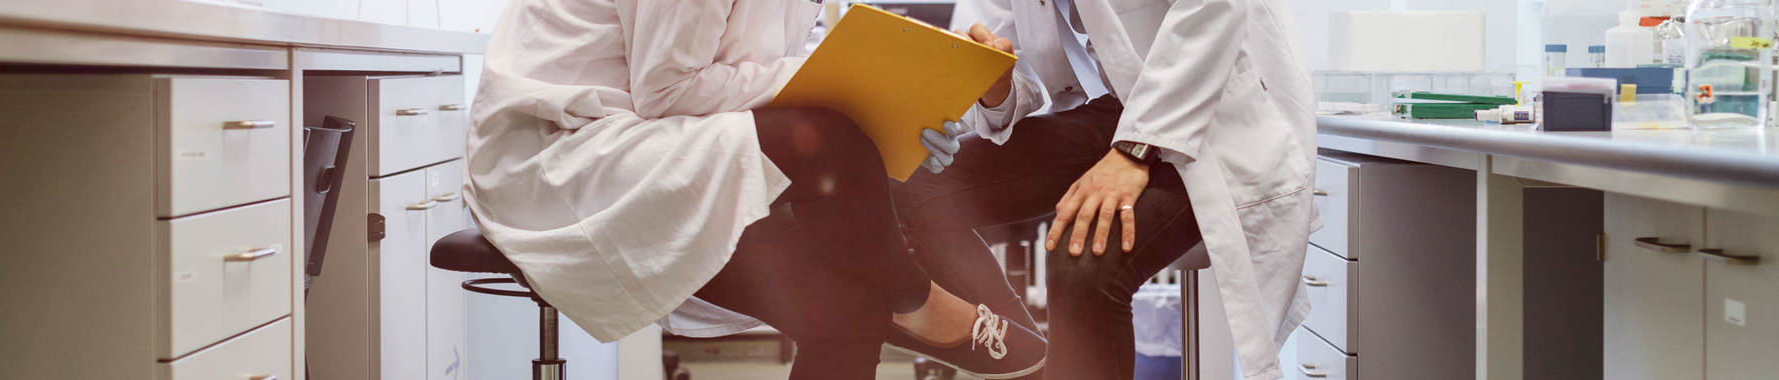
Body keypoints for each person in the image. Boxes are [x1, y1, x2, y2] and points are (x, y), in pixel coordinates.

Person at [461, 0, 1045, 379]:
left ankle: (899, 295)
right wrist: (837, 88)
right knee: (829, 137)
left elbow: (764, 63)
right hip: (565, 154)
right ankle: (918, 298)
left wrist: (899, 108)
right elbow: (667, 89)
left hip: (663, 147)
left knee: (848, 305)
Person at [893, 0, 1320, 379]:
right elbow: (1006, 60)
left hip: (1214, 116)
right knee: (914, 187)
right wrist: (994, 87)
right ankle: (1027, 364)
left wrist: (1134, 150)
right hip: (1116, 105)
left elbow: (1213, 9)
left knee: (1085, 259)